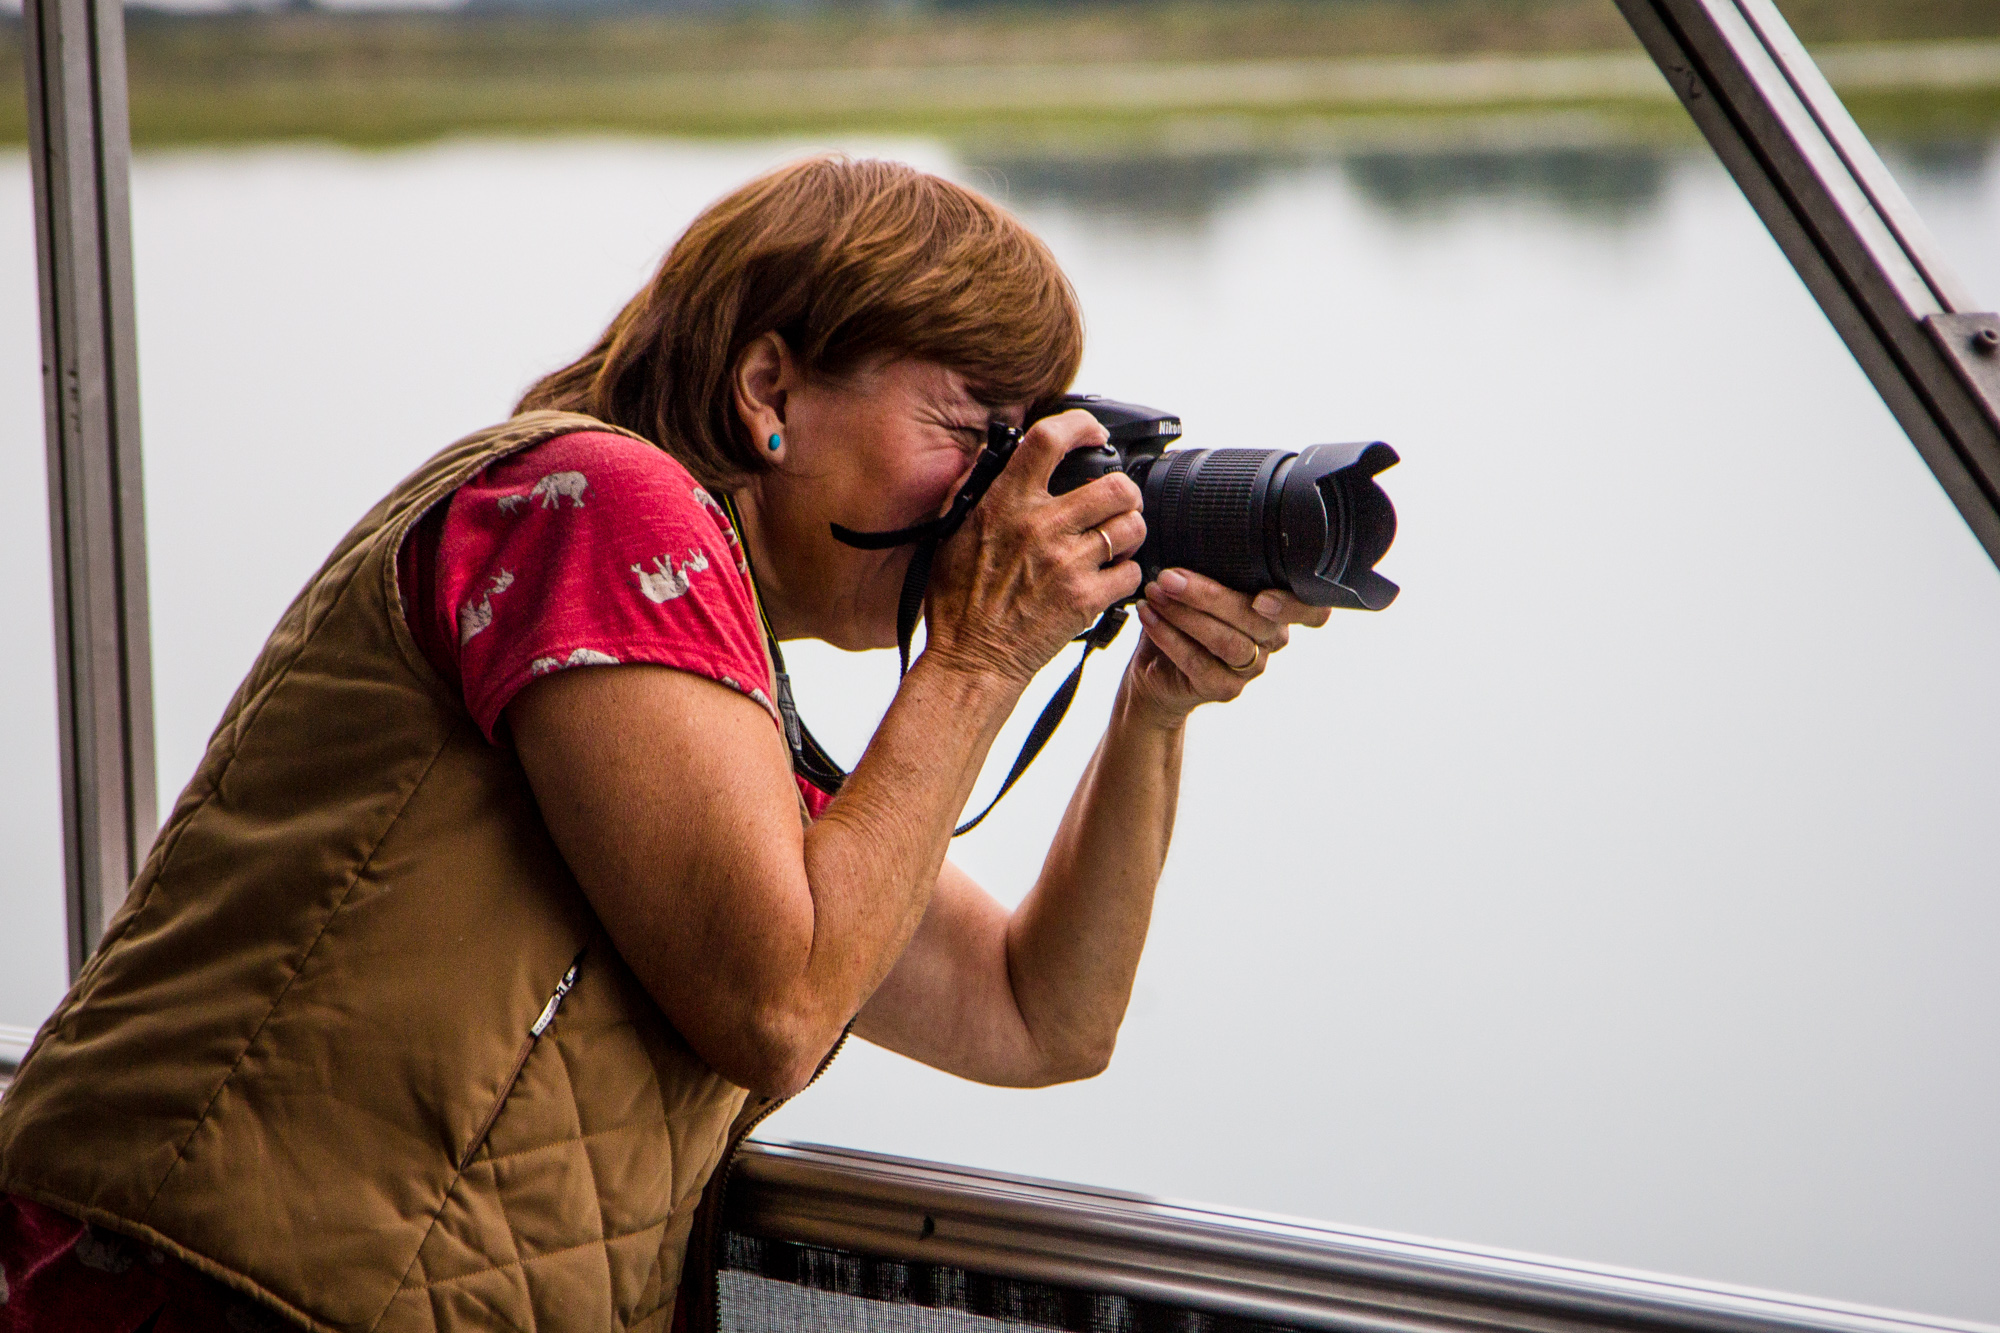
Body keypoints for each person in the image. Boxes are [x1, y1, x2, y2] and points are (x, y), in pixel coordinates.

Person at [0, 156, 1330, 1332]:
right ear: (771, 389)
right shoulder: (600, 505)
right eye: (974, 432)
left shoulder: (730, 718)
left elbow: (1042, 1014)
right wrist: (983, 652)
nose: (998, 496)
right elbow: (779, 1002)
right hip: (196, 1292)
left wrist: (1151, 709)